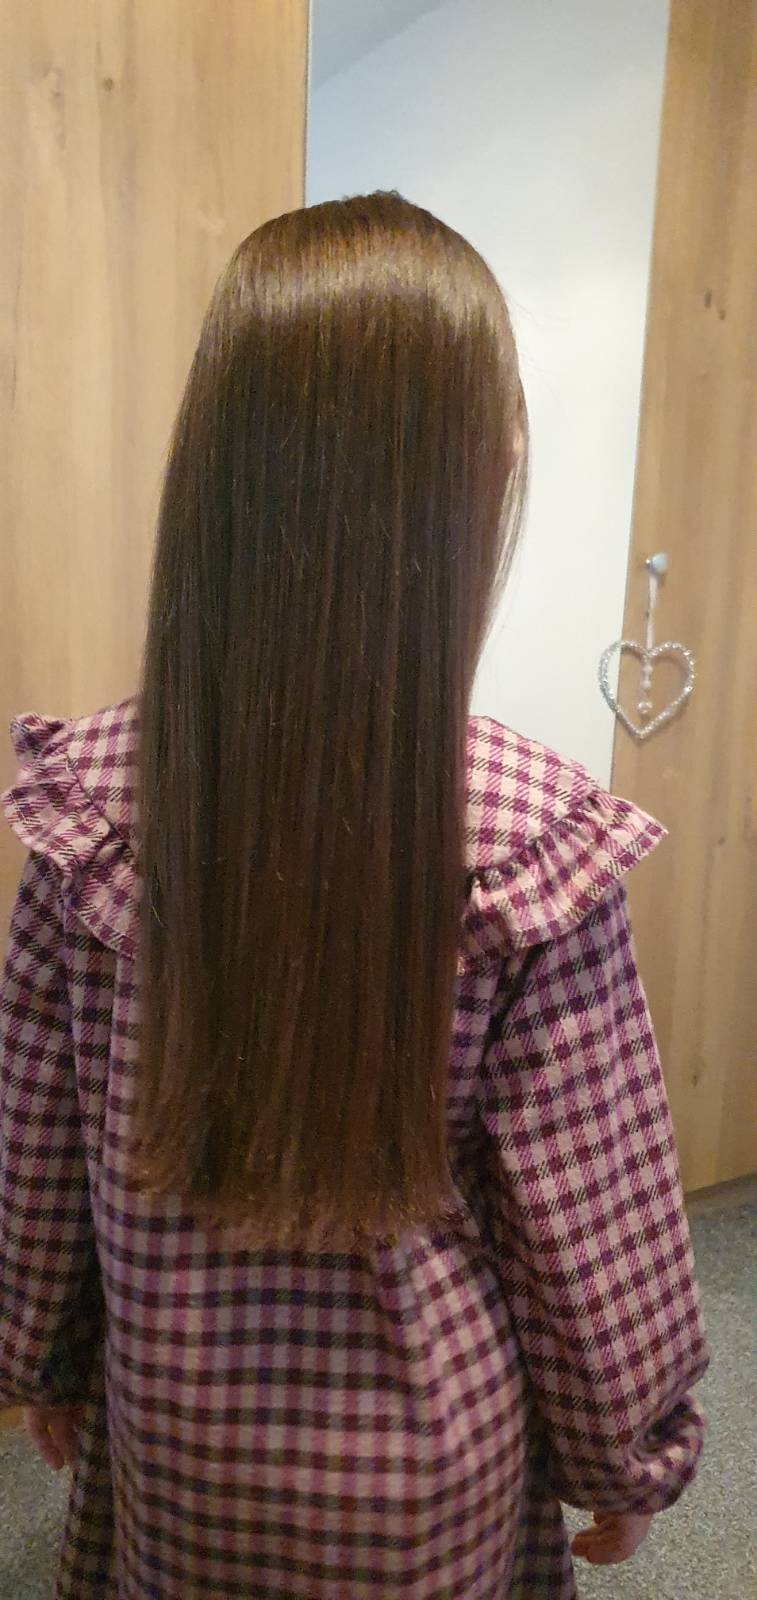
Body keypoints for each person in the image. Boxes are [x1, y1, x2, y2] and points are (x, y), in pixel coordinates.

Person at [0, 193, 707, 1600]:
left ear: (212, 475)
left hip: (175, 1447)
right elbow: (590, 1222)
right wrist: (630, 1455)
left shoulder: (92, 813)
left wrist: (40, 1361)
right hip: (431, 1489)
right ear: (483, 481)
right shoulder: (523, 838)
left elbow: (34, 1154)